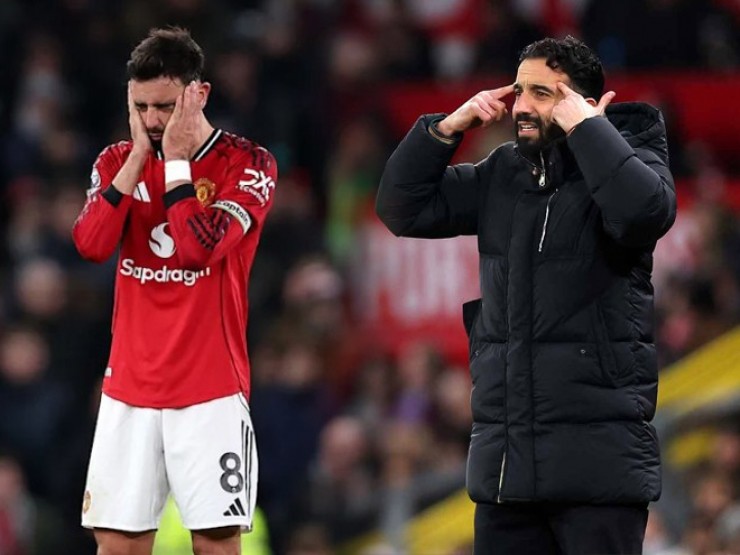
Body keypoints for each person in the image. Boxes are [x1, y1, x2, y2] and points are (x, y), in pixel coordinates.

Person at [376, 36, 676, 554]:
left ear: (581, 102)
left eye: (542, 93)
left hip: (598, 471)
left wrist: (589, 130)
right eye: (519, 91)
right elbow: (401, 208)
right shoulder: (502, 173)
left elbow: (643, 213)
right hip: (508, 472)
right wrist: (446, 130)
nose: (521, 107)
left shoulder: (635, 158)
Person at [72, 27, 277, 555]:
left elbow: (196, 250)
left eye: (165, 106)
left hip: (210, 387)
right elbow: (91, 245)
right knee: (117, 547)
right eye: (141, 106)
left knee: (215, 545)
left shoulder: (247, 163)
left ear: (199, 93)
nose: (152, 120)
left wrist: (178, 165)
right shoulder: (116, 160)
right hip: (130, 387)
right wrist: (138, 160)